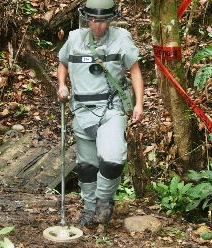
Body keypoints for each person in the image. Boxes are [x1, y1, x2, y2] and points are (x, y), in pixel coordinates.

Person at [56, 0, 144, 227]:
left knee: (113, 158)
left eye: (103, 21)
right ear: (86, 18)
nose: (98, 26)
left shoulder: (121, 38)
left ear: (111, 19)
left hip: (111, 108)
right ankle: (88, 211)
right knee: (87, 166)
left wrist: (139, 104)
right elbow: (63, 63)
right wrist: (62, 85)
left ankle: (103, 201)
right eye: (93, 20)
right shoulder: (75, 38)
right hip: (82, 111)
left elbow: (135, 71)